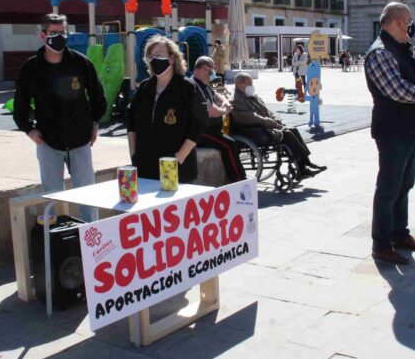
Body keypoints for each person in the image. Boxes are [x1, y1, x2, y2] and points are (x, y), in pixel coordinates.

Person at [365, 2, 415, 265]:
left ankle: (400, 234)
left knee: (404, 185)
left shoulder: (402, 49)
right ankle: (381, 244)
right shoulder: (380, 53)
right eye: (409, 22)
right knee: (389, 188)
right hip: (393, 131)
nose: (412, 28)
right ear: (398, 22)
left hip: (411, 128)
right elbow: (396, 89)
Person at [13, 14, 107, 222]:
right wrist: (28, 129)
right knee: (52, 198)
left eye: (63, 32)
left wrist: (94, 123)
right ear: (43, 35)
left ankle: (92, 243)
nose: (59, 37)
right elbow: (20, 104)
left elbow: (98, 97)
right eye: (54, 33)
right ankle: (55, 244)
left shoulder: (81, 63)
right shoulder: (31, 68)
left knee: (88, 197)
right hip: (48, 142)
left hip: (80, 141)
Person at [126, 35, 208, 182]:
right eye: (150, 56)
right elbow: (131, 120)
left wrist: (179, 157)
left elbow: (199, 123)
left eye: (159, 55)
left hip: (177, 168)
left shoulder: (187, 87)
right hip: (145, 168)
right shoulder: (144, 88)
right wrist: (133, 154)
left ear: (172, 59)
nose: (154, 60)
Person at [230, 72, 326, 178]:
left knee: (293, 130)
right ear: (240, 85)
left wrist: (276, 119)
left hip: (263, 126)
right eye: (249, 84)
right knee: (287, 134)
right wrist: (271, 122)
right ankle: (302, 169)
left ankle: (306, 162)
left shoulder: (252, 96)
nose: (252, 86)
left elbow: (268, 111)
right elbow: (250, 117)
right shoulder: (236, 100)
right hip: (252, 131)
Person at [191, 56, 246, 183]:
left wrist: (225, 102)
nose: (209, 73)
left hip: (213, 129)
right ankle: (239, 181)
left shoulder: (204, 85)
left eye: (211, 70)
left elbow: (217, 95)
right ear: (196, 70)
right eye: (206, 70)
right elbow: (211, 112)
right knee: (229, 145)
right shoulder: (194, 86)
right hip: (202, 132)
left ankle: (231, 176)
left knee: (235, 142)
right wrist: (224, 111)